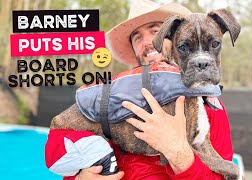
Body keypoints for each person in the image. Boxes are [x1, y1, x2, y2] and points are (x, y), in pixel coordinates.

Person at [45, 0, 234, 179]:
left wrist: (179, 153)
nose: (148, 42)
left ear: (173, 36)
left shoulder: (210, 107)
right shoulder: (113, 94)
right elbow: (68, 152)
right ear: (133, 48)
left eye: (155, 31)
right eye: (137, 37)